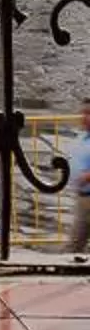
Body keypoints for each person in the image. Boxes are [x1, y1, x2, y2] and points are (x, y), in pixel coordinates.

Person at [68, 100, 90, 259]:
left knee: (75, 243)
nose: (84, 117)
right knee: (76, 242)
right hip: (82, 197)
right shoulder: (82, 138)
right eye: (83, 113)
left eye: (88, 114)